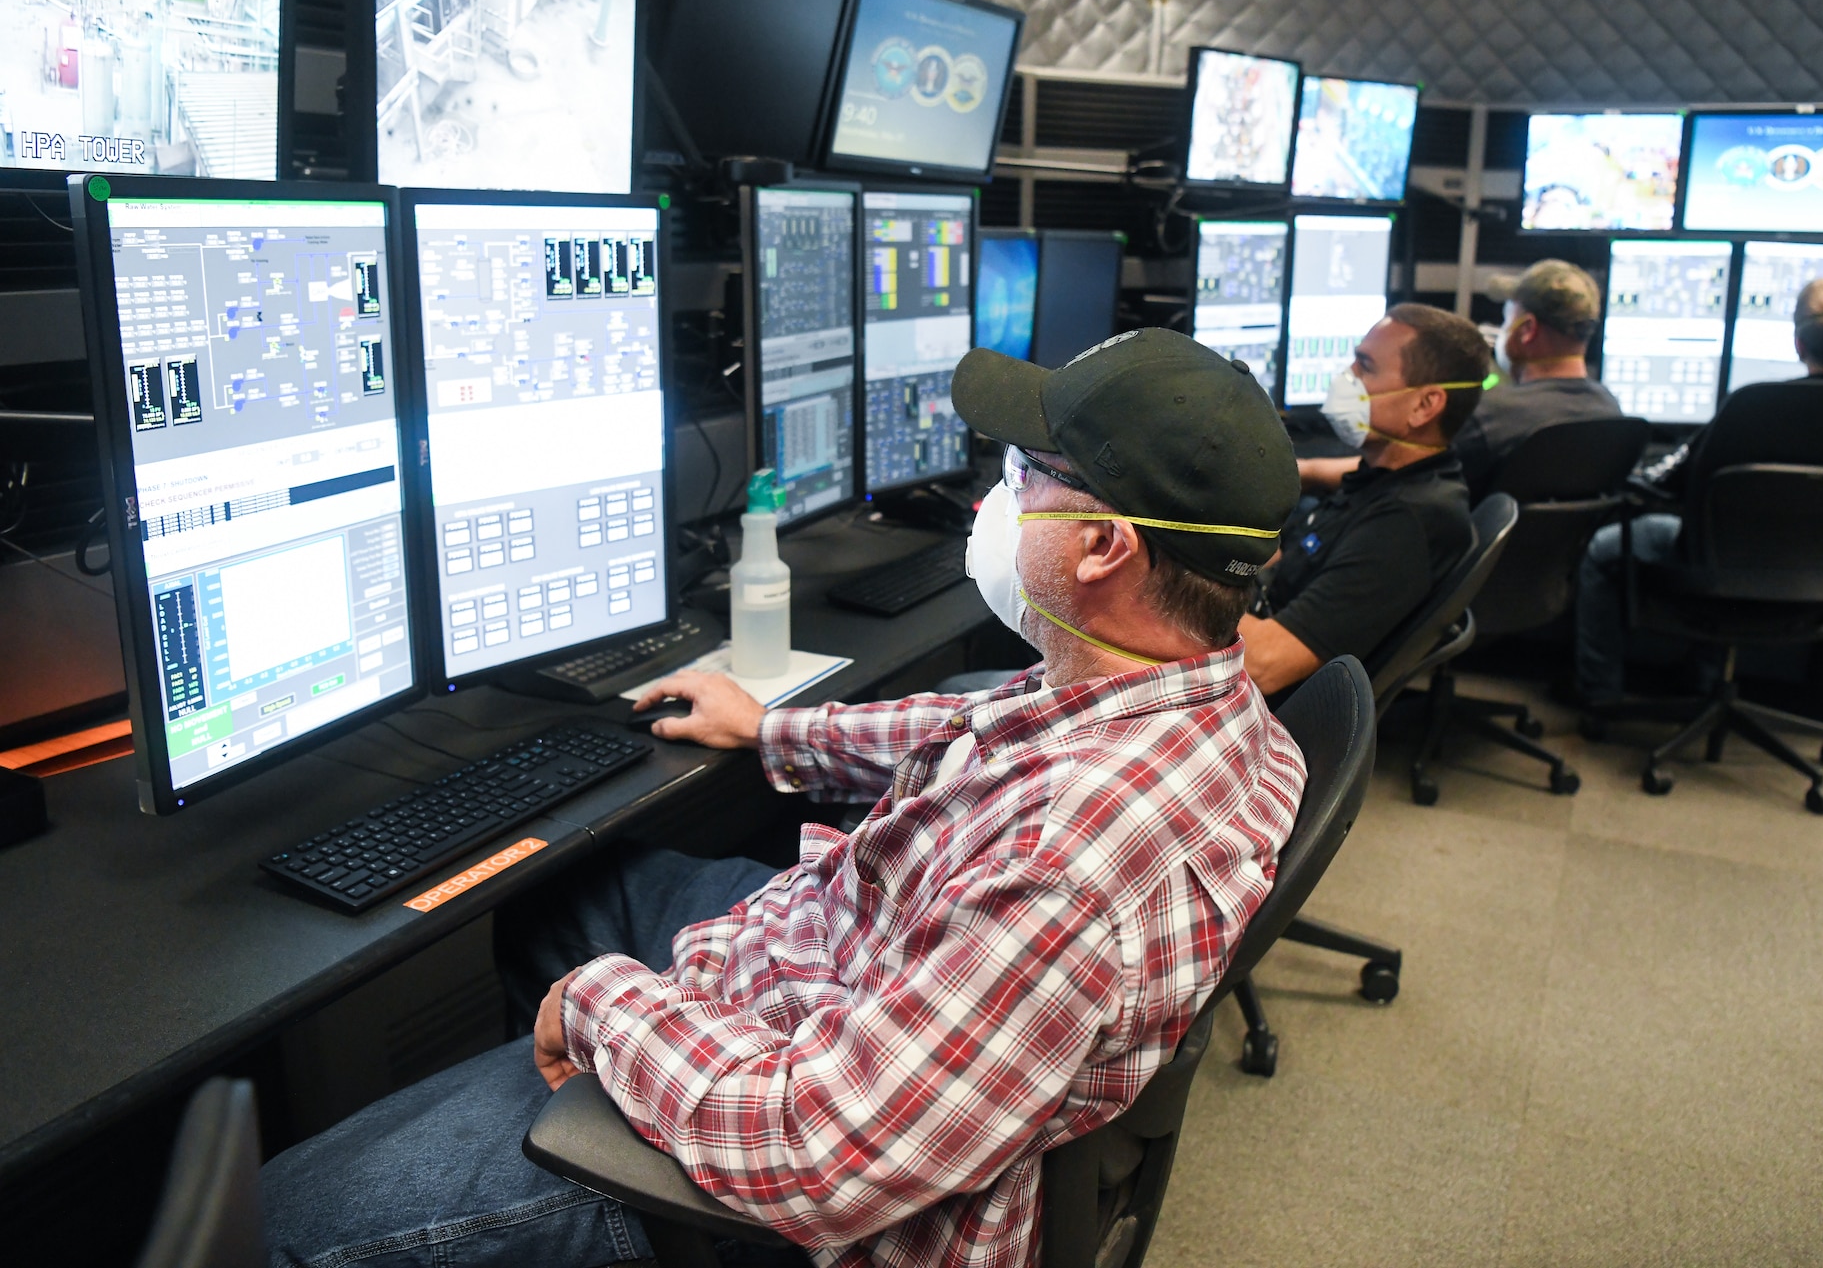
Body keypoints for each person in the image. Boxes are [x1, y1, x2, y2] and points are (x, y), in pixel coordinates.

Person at [261, 329, 1308, 1268]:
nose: (997, 497)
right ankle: (529, 1127)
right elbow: (975, 726)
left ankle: (565, 1178)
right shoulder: (1193, 699)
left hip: (801, 1183)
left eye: (1024, 474)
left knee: (279, 1217)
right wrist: (769, 729)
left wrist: (601, 1006)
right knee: (560, 889)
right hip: (848, 977)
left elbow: (819, 1151)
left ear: (1100, 546)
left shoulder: (1067, 863)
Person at [1571, 278, 1823, 706]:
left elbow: (1661, 482)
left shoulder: (1754, 407)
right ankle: (1703, 683)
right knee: (1735, 541)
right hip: (1821, 577)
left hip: (1716, 574)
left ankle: (1600, 695)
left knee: (1604, 548)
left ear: (1799, 343)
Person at [1240, 303, 1492, 696]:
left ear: (1425, 405)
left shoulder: (1406, 524)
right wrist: (1294, 470)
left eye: (1366, 366)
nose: (1347, 377)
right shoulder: (1403, 474)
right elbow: (1336, 471)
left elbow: (1263, 664)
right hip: (1266, 599)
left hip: (1257, 698)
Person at [1296, 260, 1620, 500]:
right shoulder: (1610, 411)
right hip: (1541, 583)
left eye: (1507, 319)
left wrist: (1308, 470)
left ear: (1527, 330)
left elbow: (1396, 473)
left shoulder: (1493, 417)